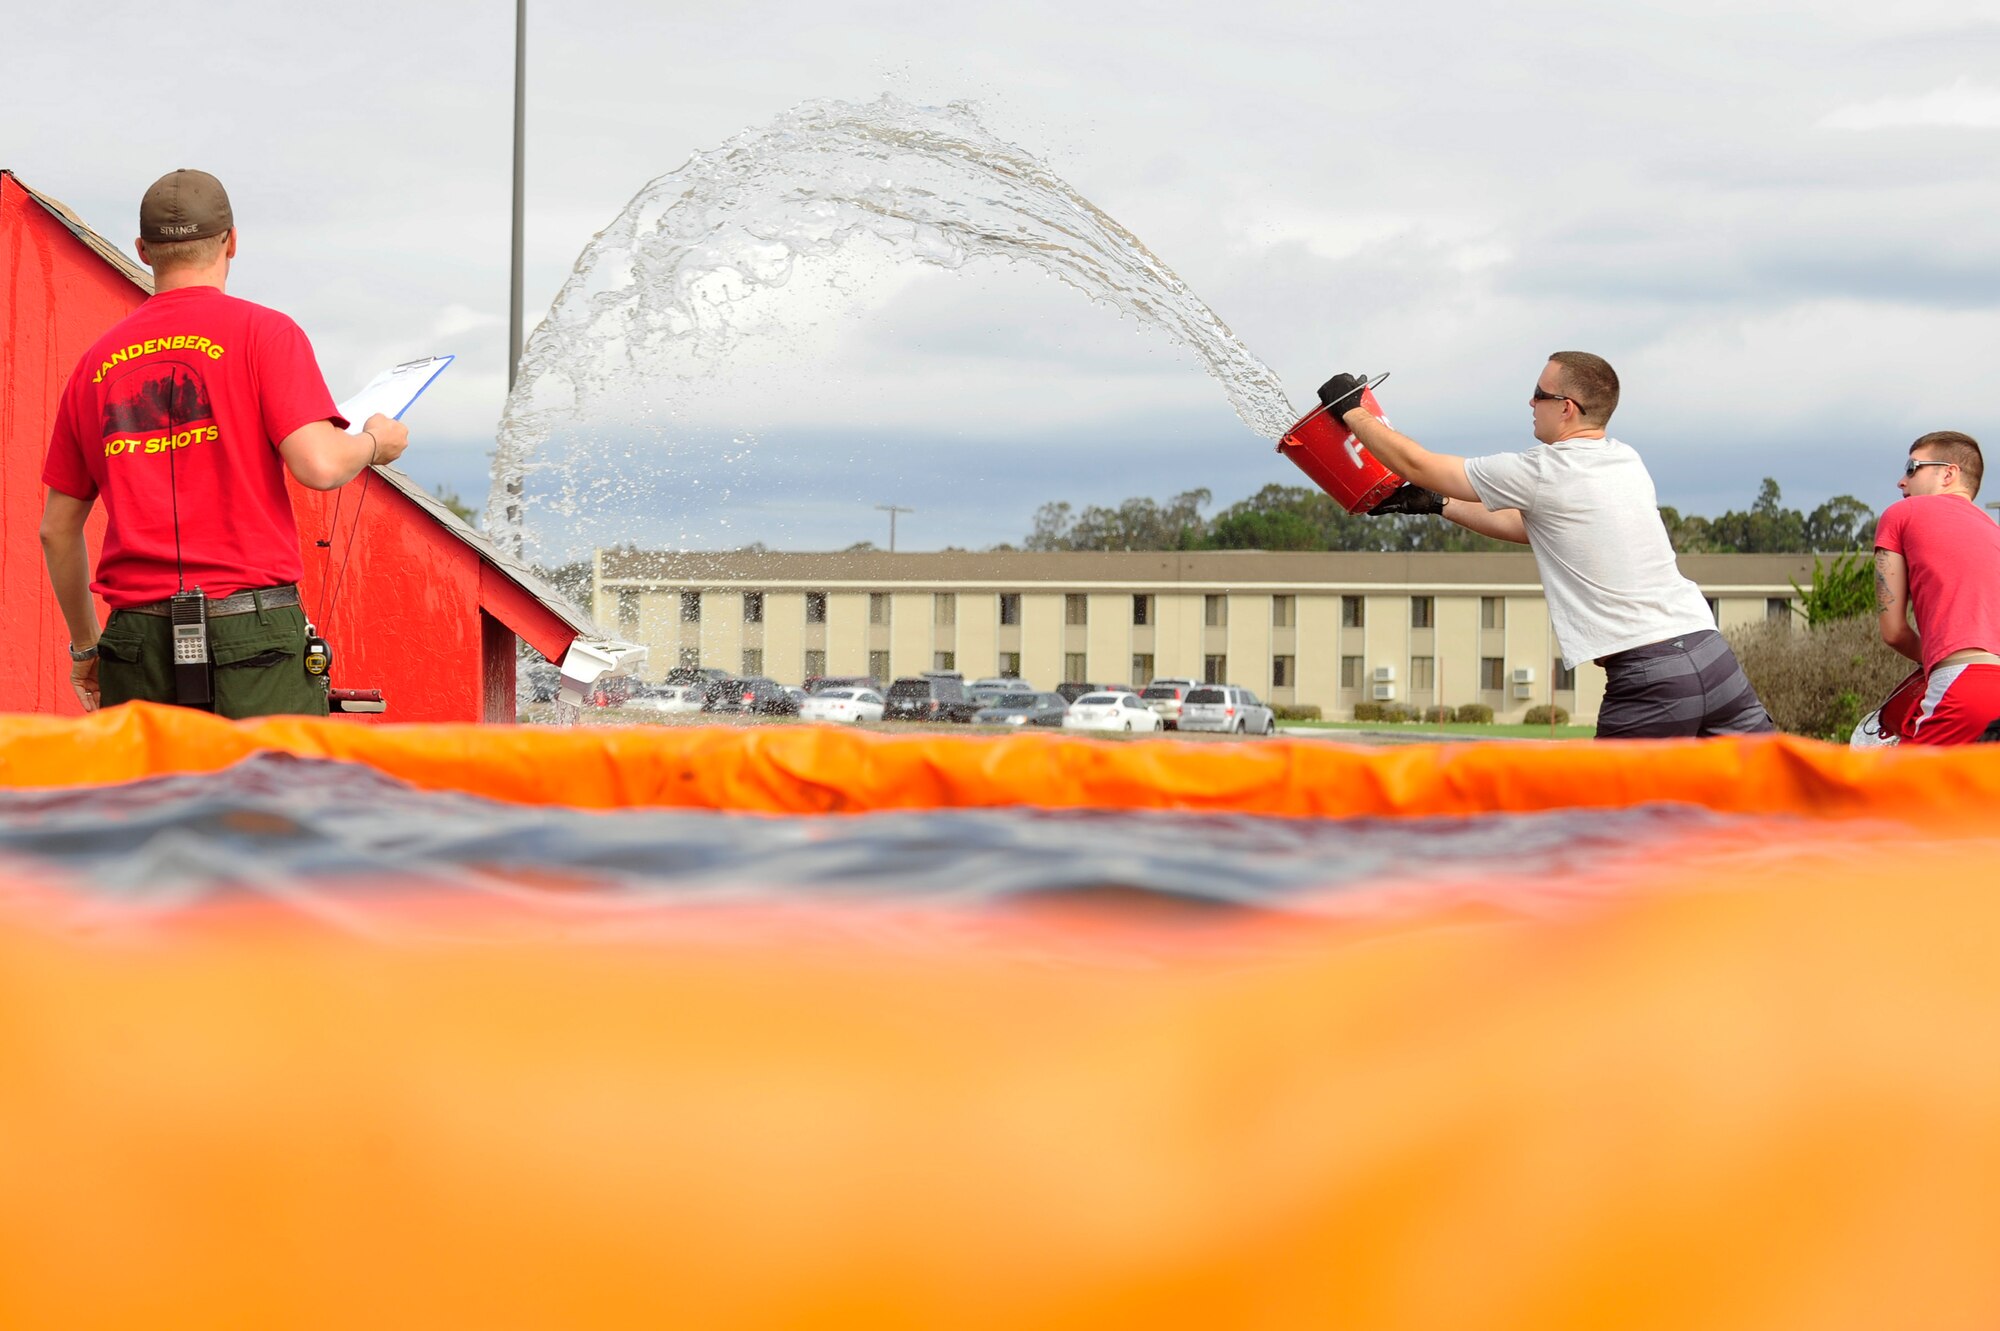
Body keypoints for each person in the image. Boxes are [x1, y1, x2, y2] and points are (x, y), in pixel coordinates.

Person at [39, 169, 409, 718]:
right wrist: (376, 441)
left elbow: (55, 529)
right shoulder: (265, 334)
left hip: (136, 640)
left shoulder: (93, 365)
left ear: (143, 250)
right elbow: (320, 464)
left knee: (155, 802)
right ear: (232, 241)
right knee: (261, 801)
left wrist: (88, 645)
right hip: (251, 630)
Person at [1318, 352, 1775, 739]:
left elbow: (1418, 463)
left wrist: (1353, 410)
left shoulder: (1545, 470)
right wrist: (1437, 503)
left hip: (1650, 677)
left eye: (1540, 393)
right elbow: (1531, 525)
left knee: (1607, 828)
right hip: (1713, 659)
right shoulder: (1625, 461)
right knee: (1780, 801)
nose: (1531, 402)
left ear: (1567, 408)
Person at [1870, 431, 2000, 744]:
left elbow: (1894, 632)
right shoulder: (1994, 531)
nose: (1902, 480)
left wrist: (1929, 658)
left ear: (1948, 473)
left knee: (1889, 791)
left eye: (1912, 467)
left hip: (1962, 687)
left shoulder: (1900, 514)